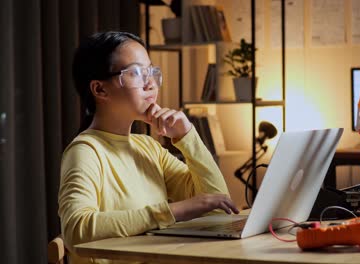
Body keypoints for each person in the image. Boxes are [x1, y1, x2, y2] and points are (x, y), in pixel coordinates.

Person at [58, 31, 239, 264]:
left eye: (151, 71)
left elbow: (216, 205)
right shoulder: (85, 151)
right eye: (135, 73)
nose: (150, 83)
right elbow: (76, 231)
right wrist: (175, 211)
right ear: (100, 90)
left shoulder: (148, 147)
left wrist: (187, 136)